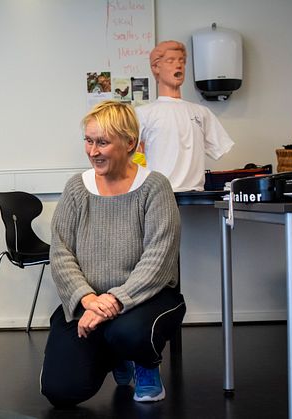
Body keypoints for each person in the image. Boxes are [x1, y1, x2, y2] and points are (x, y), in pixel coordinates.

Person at [40, 100, 186, 406]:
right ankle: (117, 356)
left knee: (128, 333)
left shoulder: (155, 187)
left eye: (102, 142)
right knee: (60, 391)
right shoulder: (76, 189)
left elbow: (158, 260)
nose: (93, 151)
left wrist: (114, 299)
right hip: (91, 299)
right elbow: (61, 251)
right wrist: (88, 299)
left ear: (129, 142)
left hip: (146, 298)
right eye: (89, 141)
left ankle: (143, 363)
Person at [136, 40, 234, 192]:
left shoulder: (202, 113)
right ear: (156, 67)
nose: (178, 65)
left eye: (181, 61)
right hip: (159, 195)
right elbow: (127, 156)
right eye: (171, 60)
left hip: (195, 197)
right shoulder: (143, 114)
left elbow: (219, 148)